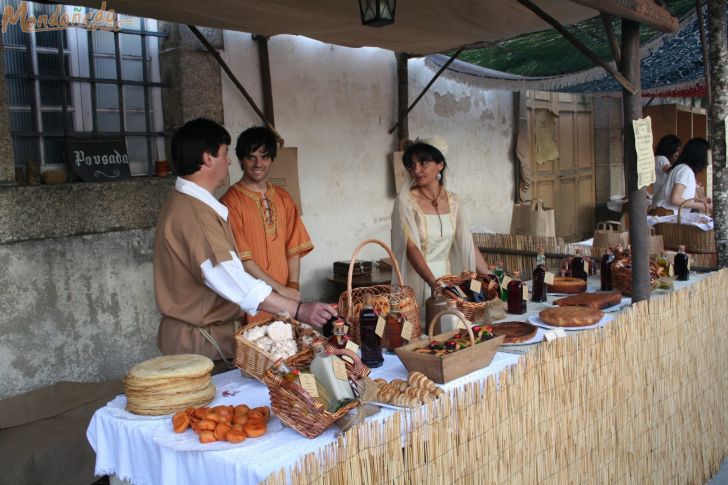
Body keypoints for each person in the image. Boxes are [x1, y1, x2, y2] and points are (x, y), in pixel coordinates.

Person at [153, 119, 335, 368]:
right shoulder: (195, 212)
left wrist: (290, 289)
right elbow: (230, 277)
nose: (228, 161)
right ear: (208, 158)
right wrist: (298, 309)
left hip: (211, 337)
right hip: (202, 343)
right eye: (224, 154)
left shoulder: (190, 205)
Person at [220, 127, 313, 324]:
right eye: (251, 157)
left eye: (264, 157)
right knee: (254, 351)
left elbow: (293, 249)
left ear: (272, 159)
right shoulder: (230, 202)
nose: (258, 164)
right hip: (252, 300)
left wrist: (293, 288)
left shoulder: (284, 198)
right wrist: (281, 290)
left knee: (287, 351)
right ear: (240, 160)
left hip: (286, 299)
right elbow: (244, 261)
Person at [391, 141, 490, 314]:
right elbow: (411, 247)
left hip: (449, 278)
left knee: (452, 326)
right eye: (412, 165)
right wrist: (435, 284)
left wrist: (489, 275)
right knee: (422, 326)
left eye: (424, 163)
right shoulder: (405, 202)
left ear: (440, 165)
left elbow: (466, 241)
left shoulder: (454, 200)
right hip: (419, 279)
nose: (417, 170)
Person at [653, 137, 712, 216]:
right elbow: (675, 199)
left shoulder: (683, 168)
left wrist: (700, 200)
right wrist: (700, 206)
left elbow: (680, 196)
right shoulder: (684, 170)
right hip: (668, 216)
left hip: (669, 214)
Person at [652, 134, 680, 199]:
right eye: (676, 151)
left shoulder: (658, 158)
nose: (677, 154)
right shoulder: (661, 158)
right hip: (661, 199)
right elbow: (670, 171)